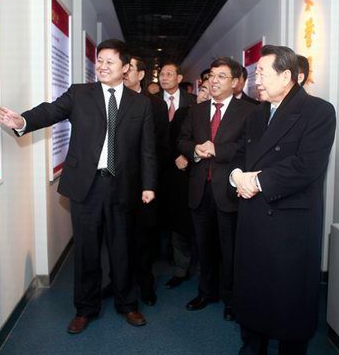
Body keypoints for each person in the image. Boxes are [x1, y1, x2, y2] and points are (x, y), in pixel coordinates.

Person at [0, 39, 157, 334]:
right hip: (86, 186)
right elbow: (51, 111)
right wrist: (23, 121)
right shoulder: (80, 94)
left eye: (110, 61)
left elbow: (147, 148)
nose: (102, 66)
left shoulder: (140, 103)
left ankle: (127, 304)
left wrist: (149, 184)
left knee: (122, 248)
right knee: (86, 250)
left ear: (125, 67)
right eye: (100, 60)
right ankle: (85, 308)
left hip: (123, 186)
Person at [230, 45, 336, 354]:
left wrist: (256, 181)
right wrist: (236, 176)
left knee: (289, 298)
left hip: (289, 222)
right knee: (254, 289)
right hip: (253, 217)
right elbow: (239, 155)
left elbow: (307, 166)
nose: (256, 81)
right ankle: (252, 345)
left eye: (262, 74)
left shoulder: (318, 111)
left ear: (286, 76)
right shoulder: (256, 114)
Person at [178, 57, 254, 322]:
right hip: (200, 189)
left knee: (230, 250)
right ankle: (206, 292)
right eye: (212, 76)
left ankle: (232, 299)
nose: (214, 81)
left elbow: (248, 147)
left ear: (235, 82)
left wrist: (217, 150)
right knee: (204, 246)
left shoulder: (249, 111)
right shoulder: (196, 110)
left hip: (229, 191)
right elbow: (182, 139)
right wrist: (194, 150)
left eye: (222, 76)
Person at [101, 55, 169, 306]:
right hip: (114, 184)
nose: (125, 72)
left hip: (142, 185)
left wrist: (148, 181)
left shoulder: (155, 104)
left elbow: (160, 146)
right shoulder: (110, 98)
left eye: (129, 69)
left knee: (142, 238)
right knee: (116, 238)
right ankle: (117, 282)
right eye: (124, 68)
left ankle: (145, 284)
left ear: (140, 75)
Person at [157, 62, 196, 289]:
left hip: (185, 169)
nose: (164, 77)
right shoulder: (150, 101)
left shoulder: (193, 102)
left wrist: (186, 156)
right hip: (159, 167)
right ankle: (163, 253)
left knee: (181, 216)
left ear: (179, 78)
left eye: (169, 74)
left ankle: (182, 263)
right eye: (161, 74)